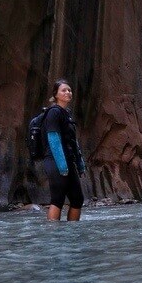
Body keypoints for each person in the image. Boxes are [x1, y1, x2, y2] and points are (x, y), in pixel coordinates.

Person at [43, 79, 85, 221]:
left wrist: (80, 164)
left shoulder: (66, 113)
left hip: (68, 161)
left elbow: (73, 142)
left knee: (77, 199)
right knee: (57, 199)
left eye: (69, 90)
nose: (68, 92)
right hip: (55, 161)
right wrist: (62, 166)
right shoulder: (53, 113)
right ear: (56, 94)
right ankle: (53, 235)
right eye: (64, 90)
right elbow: (53, 139)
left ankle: (72, 234)